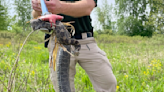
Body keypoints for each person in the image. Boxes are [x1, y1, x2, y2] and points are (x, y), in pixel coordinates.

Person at [31, 0, 117, 92]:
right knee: (63, 88)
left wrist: (60, 6)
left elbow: (88, 6)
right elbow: (37, 17)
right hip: (58, 43)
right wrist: (37, 9)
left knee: (108, 82)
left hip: (85, 41)